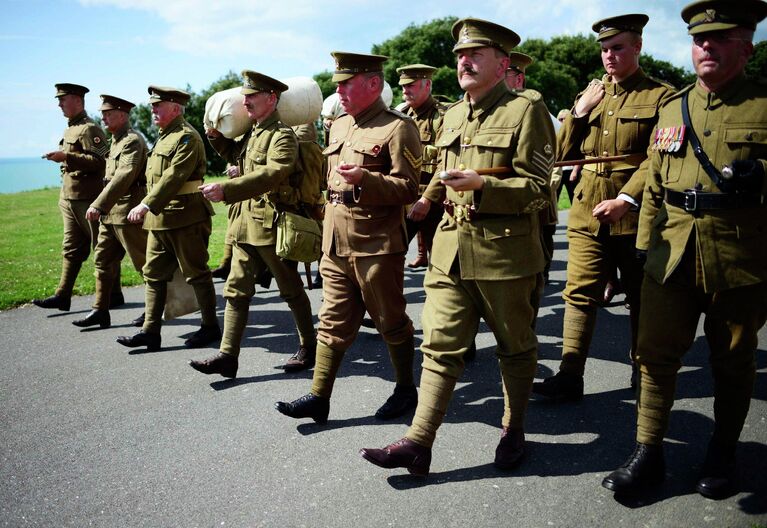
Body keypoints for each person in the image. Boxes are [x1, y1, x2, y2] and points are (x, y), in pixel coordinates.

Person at [360, 17, 555, 476]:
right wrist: (427, 199)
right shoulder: (453, 114)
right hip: (449, 251)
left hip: (504, 254)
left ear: (502, 63)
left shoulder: (527, 110)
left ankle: (513, 429)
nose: (464, 62)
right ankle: (418, 442)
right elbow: (440, 173)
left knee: (515, 346)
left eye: (476, 55)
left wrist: (483, 186)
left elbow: (539, 189)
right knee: (440, 346)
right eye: (460, 56)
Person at [602, 0, 767, 499]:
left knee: (733, 361)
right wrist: (644, 246)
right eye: (700, 39)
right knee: (653, 356)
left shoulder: (764, 103)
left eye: (719, 38)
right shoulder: (674, 106)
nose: (707, 46)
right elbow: (654, 181)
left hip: (740, 260)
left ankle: (723, 449)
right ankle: (648, 451)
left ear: (747, 46)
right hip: (669, 254)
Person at [532, 14, 676, 401]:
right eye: (604, 50)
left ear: (638, 47)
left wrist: (626, 199)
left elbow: (658, 159)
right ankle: (569, 375)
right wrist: (579, 113)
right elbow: (561, 157)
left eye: (617, 48)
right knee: (578, 294)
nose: (609, 56)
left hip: (635, 215)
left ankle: (643, 372)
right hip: (586, 211)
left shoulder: (661, 96)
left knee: (641, 298)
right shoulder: (591, 94)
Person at [275, 51, 422, 423]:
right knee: (332, 320)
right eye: (337, 82)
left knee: (390, 320)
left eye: (346, 83)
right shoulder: (338, 125)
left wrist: (366, 180)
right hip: (335, 242)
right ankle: (318, 396)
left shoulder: (398, 127)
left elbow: (407, 188)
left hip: (376, 244)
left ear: (373, 84)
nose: (337, 89)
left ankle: (406, 389)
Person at [189, 70, 317, 377]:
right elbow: (237, 156)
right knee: (236, 290)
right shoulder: (252, 133)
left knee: (290, 289)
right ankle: (227, 355)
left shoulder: (282, 135)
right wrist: (216, 138)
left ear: (271, 99)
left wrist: (227, 189)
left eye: (251, 96)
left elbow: (274, 173)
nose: (245, 102)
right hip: (246, 225)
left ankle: (309, 346)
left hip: (271, 226)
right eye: (244, 96)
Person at [116, 86, 220, 352]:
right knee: (153, 274)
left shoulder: (187, 137)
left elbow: (174, 176)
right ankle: (150, 331)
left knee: (196, 273)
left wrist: (146, 204)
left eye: (157, 105)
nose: (152, 110)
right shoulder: (163, 137)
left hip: (186, 217)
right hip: (161, 220)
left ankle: (210, 327)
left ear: (175, 108)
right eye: (152, 105)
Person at [72, 95, 149, 329]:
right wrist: (103, 206)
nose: (103, 118)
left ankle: (155, 310)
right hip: (110, 214)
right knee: (102, 260)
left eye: (108, 113)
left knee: (144, 264)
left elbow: (124, 176)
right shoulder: (114, 141)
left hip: (127, 212)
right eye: (102, 113)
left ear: (123, 115)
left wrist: (98, 204)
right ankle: (99, 310)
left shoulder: (132, 141)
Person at [34, 83, 110, 311]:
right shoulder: (71, 128)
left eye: (62, 99)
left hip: (88, 199)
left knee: (103, 248)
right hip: (69, 198)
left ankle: (112, 296)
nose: (58, 104)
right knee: (71, 248)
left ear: (77, 100)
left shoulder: (89, 129)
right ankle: (63, 295)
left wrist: (66, 156)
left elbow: (101, 162)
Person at [397, 64, 448, 269]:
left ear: (427, 85)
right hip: (405, 199)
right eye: (403, 87)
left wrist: (427, 200)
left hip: (435, 202)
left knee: (441, 261)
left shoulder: (443, 117)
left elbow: (445, 163)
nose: (404, 91)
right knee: (391, 253)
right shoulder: (400, 116)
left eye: (411, 86)